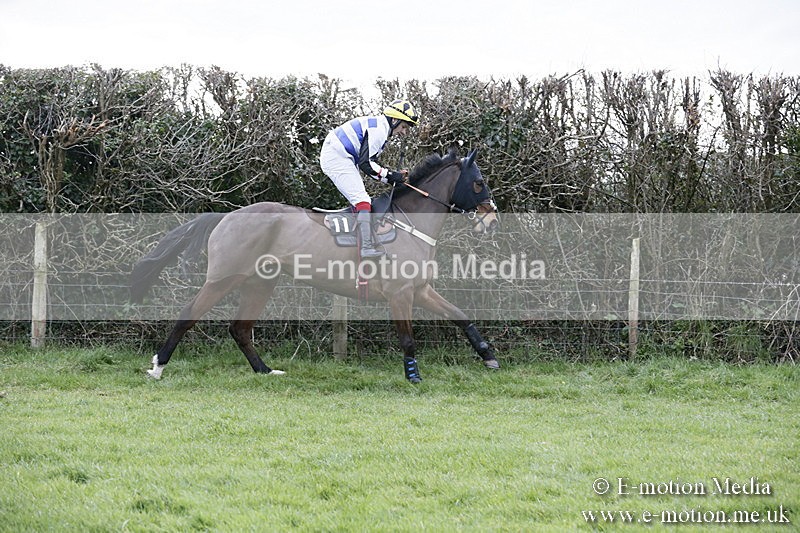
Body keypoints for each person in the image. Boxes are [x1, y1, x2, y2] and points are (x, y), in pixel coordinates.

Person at [320, 99, 420, 257]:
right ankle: (365, 248)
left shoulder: (380, 126)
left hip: (342, 155)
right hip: (338, 156)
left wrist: (391, 178)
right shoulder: (379, 130)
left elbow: (369, 164)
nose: (403, 132)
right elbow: (366, 164)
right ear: (394, 120)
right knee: (362, 200)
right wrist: (391, 176)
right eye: (403, 127)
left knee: (361, 198)